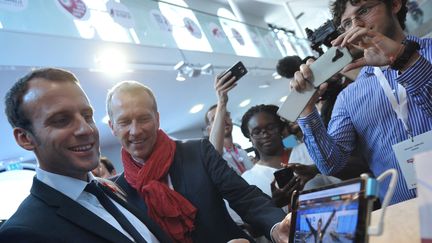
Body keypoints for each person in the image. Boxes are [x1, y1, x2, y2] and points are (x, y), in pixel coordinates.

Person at [0, 68, 171, 243]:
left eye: (87, 116)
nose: (86, 129)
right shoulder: (23, 232)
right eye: (61, 120)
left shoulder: (111, 188)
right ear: (25, 138)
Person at [106, 81, 290, 243]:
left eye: (144, 118)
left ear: (157, 119)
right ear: (112, 127)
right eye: (124, 122)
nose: (135, 130)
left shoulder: (198, 152)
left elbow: (246, 198)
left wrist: (276, 227)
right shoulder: (117, 191)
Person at [291, 0, 432, 204]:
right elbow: (331, 164)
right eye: (347, 23)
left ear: (394, 5)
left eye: (364, 11)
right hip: (401, 216)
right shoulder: (349, 96)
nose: (356, 25)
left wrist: (405, 59)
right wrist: (307, 110)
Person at [204, 71, 254, 175]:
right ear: (209, 130)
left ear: (231, 119)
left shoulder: (242, 152)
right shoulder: (214, 155)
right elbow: (215, 152)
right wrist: (222, 102)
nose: (223, 120)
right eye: (215, 119)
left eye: (225, 115)